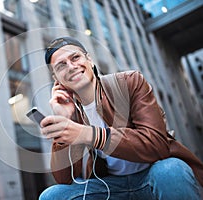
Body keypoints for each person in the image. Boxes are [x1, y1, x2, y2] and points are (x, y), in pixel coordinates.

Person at [38, 37, 203, 200]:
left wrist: (90, 135)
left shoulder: (130, 82)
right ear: (56, 80)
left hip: (153, 175)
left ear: (89, 60)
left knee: (171, 170)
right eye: (61, 65)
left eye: (75, 57)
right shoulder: (72, 111)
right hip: (112, 187)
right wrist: (62, 123)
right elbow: (64, 179)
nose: (71, 66)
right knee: (52, 196)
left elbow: (157, 145)